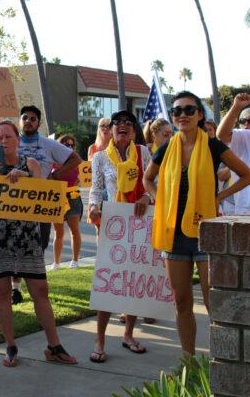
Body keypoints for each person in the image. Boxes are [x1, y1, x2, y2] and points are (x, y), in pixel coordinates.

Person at [143, 91, 250, 355]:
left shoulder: (213, 145)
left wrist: (218, 197)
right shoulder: (166, 148)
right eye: (177, 111)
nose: (182, 115)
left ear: (200, 115)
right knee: (182, 302)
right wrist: (161, 199)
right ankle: (189, 362)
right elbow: (148, 179)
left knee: (212, 301)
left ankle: (221, 359)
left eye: (189, 110)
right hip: (174, 235)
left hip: (205, 232)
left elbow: (246, 176)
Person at [0, 119, 77, 367]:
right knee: (2, 292)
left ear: (18, 140)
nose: (4, 141)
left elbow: (42, 201)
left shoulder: (30, 164)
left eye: (9, 137)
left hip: (26, 235)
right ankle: (10, 345)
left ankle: (54, 346)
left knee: (40, 290)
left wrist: (28, 179)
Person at [87, 110, 153, 363]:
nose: (122, 126)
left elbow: (151, 181)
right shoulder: (101, 158)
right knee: (108, 283)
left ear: (134, 131)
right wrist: (93, 207)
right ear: (111, 130)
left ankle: (128, 334)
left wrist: (148, 197)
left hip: (138, 224)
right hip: (113, 226)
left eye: (128, 123)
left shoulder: (143, 153)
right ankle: (100, 339)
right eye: (117, 123)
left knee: (134, 281)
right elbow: (97, 189)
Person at [13, 105, 82, 304]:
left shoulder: (48, 144)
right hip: (15, 203)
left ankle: (37, 290)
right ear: (20, 121)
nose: (28, 121)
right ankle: (15, 289)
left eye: (33, 119)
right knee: (16, 247)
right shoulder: (11, 141)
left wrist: (54, 176)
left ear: (38, 123)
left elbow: (75, 159)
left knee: (37, 247)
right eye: (25, 117)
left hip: (41, 204)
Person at [49, 134, 82, 270]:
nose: (69, 147)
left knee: (74, 230)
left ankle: (74, 261)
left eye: (71, 145)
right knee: (58, 233)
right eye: (65, 144)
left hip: (73, 196)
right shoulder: (52, 161)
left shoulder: (75, 161)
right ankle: (56, 263)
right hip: (57, 197)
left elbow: (80, 178)